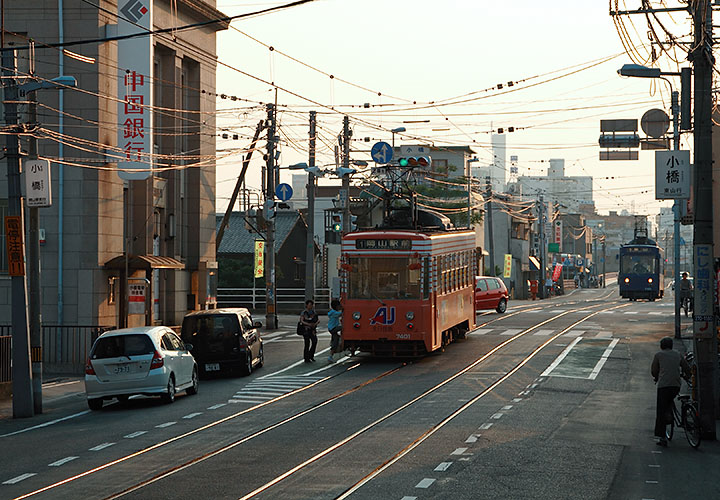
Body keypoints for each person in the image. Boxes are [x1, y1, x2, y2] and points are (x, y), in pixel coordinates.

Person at [651, 337, 691, 446]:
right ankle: (673, 416)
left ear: (661, 345)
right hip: (676, 386)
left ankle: (662, 437)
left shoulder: (659, 355)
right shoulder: (677, 354)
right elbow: (686, 367)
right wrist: (687, 375)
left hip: (663, 386)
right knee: (670, 399)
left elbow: (654, 370)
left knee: (661, 411)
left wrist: (656, 377)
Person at [327, 299, 343, 363]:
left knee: (335, 339)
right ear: (336, 306)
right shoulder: (334, 312)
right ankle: (330, 356)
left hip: (332, 328)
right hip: (333, 328)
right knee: (343, 327)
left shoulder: (332, 312)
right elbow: (341, 314)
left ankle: (331, 355)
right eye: (339, 306)